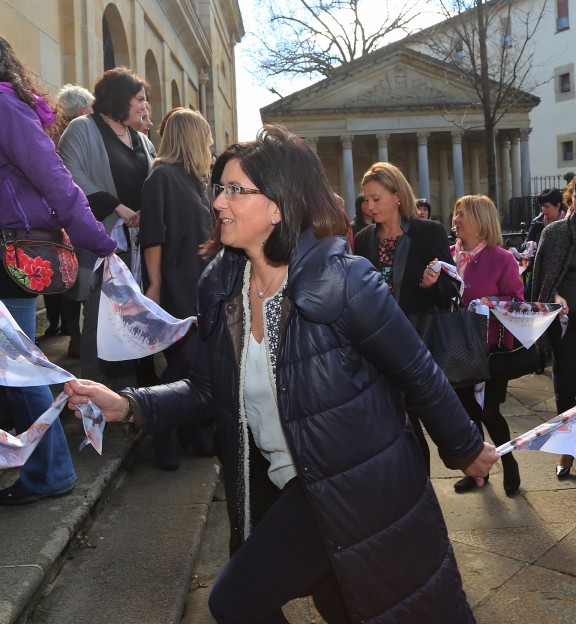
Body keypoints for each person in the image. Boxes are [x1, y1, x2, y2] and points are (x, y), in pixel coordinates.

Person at [65, 125, 497, 623]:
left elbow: (418, 372)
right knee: (344, 607)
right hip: (288, 485)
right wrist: (129, 404)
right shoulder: (222, 286)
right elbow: (205, 388)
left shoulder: (344, 281)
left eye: (235, 190)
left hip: (356, 485)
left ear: (278, 206)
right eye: (219, 189)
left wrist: (465, 448)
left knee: (235, 601)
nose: (218, 203)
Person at [0, 35, 116, 505]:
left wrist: (98, 240)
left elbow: (57, 180)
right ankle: (44, 466)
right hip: (11, 251)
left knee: (18, 370)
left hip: (12, 255)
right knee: (15, 368)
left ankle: (50, 471)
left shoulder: (5, 106)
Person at [354, 162, 456, 472]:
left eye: (376, 198)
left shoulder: (428, 232)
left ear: (398, 196)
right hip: (377, 344)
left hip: (418, 339)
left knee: (420, 417)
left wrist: (432, 283)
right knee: (397, 422)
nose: (370, 207)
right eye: (366, 199)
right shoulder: (364, 238)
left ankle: (434, 474)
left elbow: (452, 288)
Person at [59, 67, 154, 390]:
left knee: (131, 319)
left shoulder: (141, 139)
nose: (144, 106)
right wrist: (116, 206)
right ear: (120, 98)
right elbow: (69, 174)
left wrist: (146, 209)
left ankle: (127, 392)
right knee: (100, 320)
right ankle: (92, 392)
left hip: (137, 244)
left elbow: (154, 180)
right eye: (139, 99)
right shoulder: (82, 128)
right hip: (101, 244)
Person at [139, 108, 215, 470]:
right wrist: (154, 284)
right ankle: (159, 427)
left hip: (201, 281)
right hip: (173, 282)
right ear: (192, 138)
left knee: (196, 364)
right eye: (206, 137)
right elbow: (152, 236)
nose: (210, 144)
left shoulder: (199, 182)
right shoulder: (162, 177)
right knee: (185, 359)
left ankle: (188, 426)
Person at [450, 195, 525, 496]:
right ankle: (477, 469)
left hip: (490, 351)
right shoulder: (447, 255)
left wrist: (489, 302)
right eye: (456, 214)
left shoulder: (501, 258)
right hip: (456, 348)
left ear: (481, 220)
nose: (455, 220)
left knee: (489, 411)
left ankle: (508, 461)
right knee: (467, 412)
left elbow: (517, 301)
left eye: (462, 214)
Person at [44, 84, 95, 355]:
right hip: (76, 216)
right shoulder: (81, 134)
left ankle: (73, 336)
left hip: (54, 221)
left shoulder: (48, 132)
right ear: (82, 110)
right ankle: (79, 339)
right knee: (81, 279)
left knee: (66, 281)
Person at [530, 211, 575, 478]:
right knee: (566, 385)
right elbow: (544, 279)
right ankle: (567, 449)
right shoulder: (555, 232)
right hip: (565, 320)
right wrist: (554, 296)